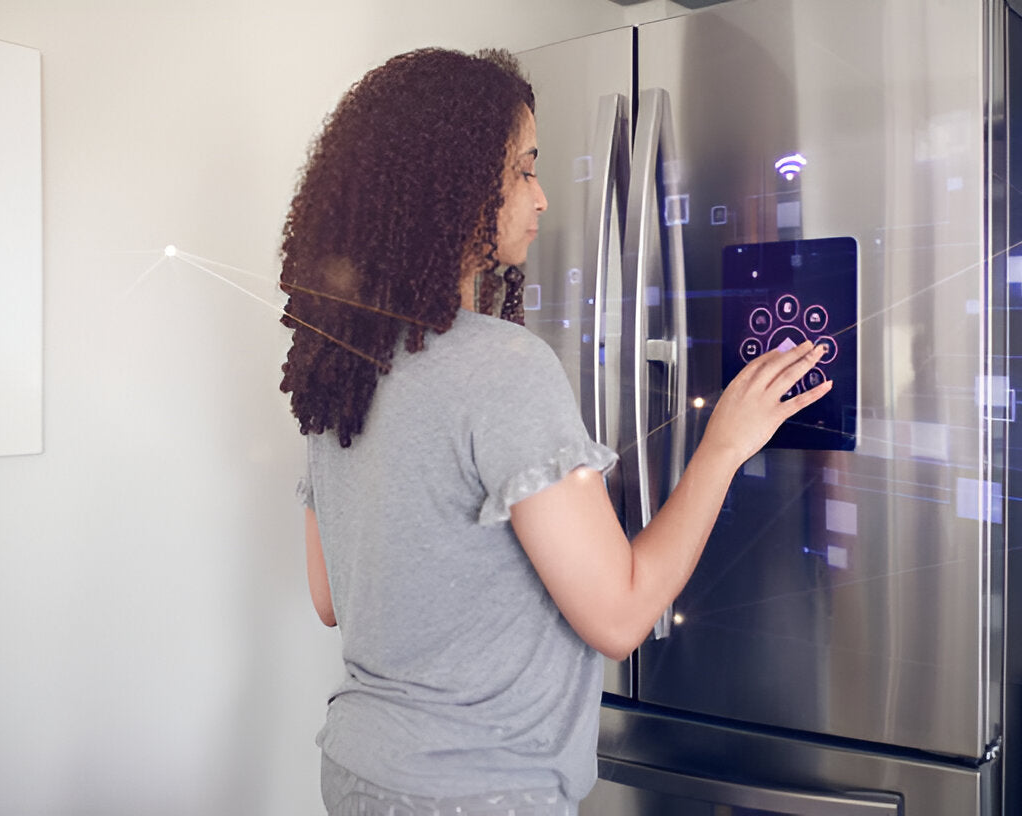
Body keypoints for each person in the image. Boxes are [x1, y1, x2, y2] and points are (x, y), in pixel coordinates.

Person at [279, 47, 832, 816]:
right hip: (478, 795)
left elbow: (331, 596)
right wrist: (724, 445)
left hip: (357, 775)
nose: (542, 199)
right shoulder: (503, 366)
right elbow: (620, 617)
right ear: (456, 186)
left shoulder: (339, 366)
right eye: (526, 169)